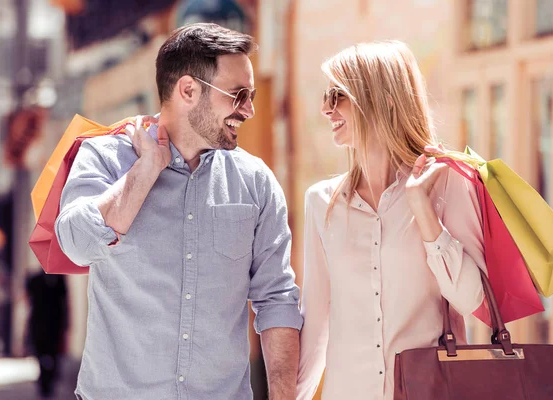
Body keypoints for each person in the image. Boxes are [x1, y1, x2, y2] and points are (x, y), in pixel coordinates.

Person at [55, 23, 302, 400]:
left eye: (250, 96)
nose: (249, 110)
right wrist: (146, 170)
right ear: (188, 90)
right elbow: (75, 242)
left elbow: (277, 298)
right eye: (238, 95)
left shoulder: (256, 182)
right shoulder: (105, 158)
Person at [296, 41, 487, 400]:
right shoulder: (320, 202)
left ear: (378, 98)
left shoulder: (447, 182)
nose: (325, 108)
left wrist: (422, 209)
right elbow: (317, 324)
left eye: (337, 95)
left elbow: (473, 300)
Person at [26, 271, 68, 399]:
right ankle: (45, 381)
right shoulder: (34, 279)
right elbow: (28, 301)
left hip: (54, 324)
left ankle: (49, 380)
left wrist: (66, 324)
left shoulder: (59, 279)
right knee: (41, 353)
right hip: (39, 324)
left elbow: (65, 303)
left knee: (53, 354)